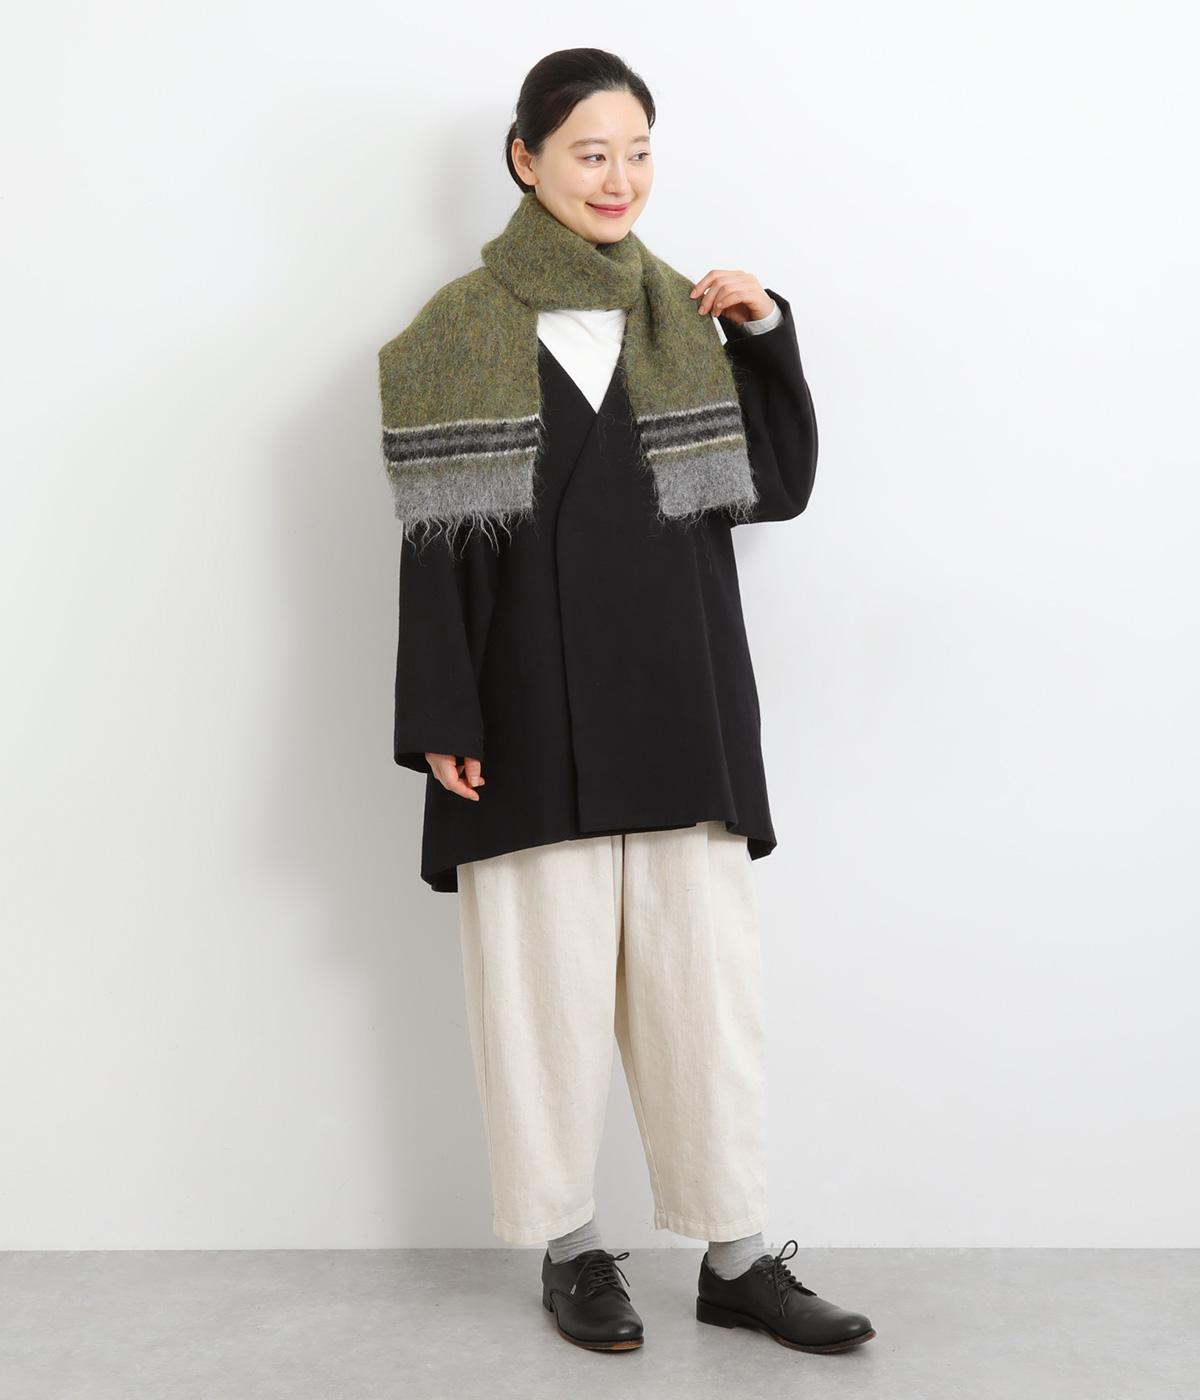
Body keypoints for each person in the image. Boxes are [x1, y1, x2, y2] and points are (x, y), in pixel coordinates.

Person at [377, 48, 876, 1355]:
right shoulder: (454, 333)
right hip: (525, 709)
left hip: (677, 701)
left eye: (638, 151)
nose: (619, 178)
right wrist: (441, 715)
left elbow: (773, 487)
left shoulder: (680, 317)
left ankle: (736, 1258)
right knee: (538, 998)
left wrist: (763, 336)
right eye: (590, 152)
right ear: (526, 159)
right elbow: (439, 551)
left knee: (703, 996)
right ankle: (572, 1251)